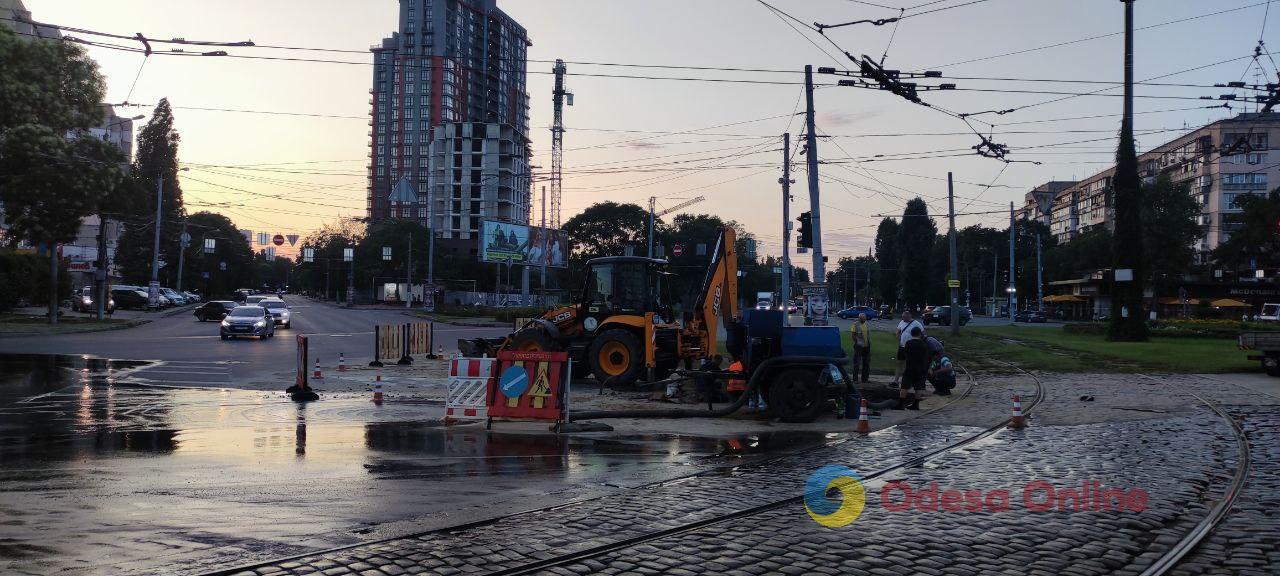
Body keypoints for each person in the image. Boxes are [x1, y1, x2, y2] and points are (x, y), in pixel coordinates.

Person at [900, 326, 929, 410]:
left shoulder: (909, 343)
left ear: (911, 333)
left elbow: (905, 355)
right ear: (920, 334)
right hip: (920, 368)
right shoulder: (923, 344)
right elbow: (926, 357)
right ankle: (916, 404)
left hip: (910, 367)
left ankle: (901, 403)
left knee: (904, 385)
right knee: (918, 386)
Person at [894, 311, 924, 387]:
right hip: (902, 346)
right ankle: (896, 381)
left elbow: (922, 334)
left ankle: (907, 381)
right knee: (899, 363)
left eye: (904, 318)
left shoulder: (916, 324)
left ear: (909, 317)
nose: (903, 319)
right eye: (902, 317)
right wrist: (898, 338)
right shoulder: (902, 322)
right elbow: (897, 331)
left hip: (911, 347)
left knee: (908, 364)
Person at [850, 313, 872, 383]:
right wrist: (857, 342)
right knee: (857, 363)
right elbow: (853, 335)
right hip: (859, 346)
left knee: (866, 363)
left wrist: (869, 342)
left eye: (864, 318)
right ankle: (855, 379)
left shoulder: (866, 324)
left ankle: (865, 379)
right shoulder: (855, 324)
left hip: (866, 346)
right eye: (862, 318)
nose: (863, 319)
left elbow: (868, 334)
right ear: (859, 318)